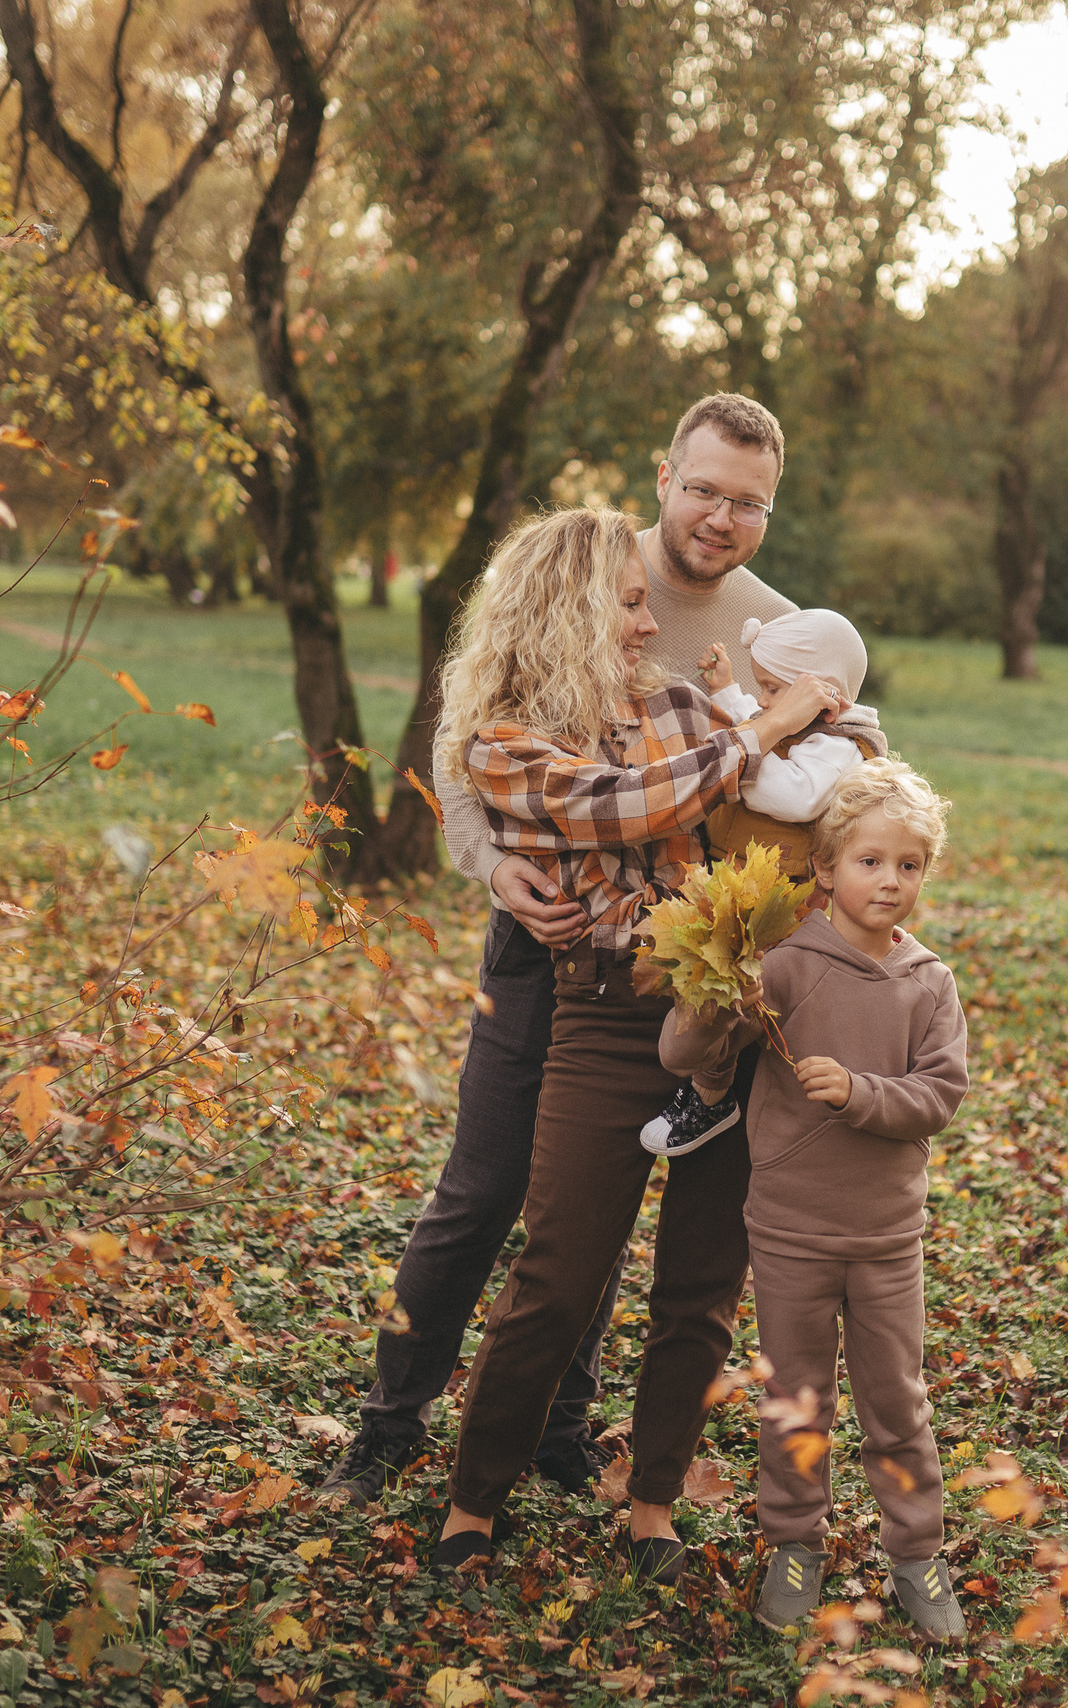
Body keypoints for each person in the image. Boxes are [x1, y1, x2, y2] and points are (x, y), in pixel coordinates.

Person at [320, 395, 799, 1505]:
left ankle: (557, 1430)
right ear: (664, 472)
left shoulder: (772, 628)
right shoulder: (573, 567)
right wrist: (493, 868)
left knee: (587, 1200)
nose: (719, 518)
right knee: (482, 1190)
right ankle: (389, 1420)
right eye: (703, 488)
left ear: (770, 509)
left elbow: (796, 779)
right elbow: (462, 747)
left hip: (655, 948)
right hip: (536, 935)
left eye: (748, 502)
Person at [430, 505, 846, 1581]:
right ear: (565, 610)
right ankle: (474, 1500)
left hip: (735, 1008)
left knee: (702, 1278)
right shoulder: (505, 740)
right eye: (621, 604)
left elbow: (804, 785)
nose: (639, 621)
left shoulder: (677, 698)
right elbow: (627, 806)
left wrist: (824, 730)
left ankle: (652, 1500)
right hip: (608, 1005)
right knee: (562, 1265)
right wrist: (758, 730)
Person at [659, 759, 969, 1640]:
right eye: (871, 862)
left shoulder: (927, 983)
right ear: (826, 869)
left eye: (909, 866)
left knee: (896, 1400)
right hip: (791, 1229)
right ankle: (796, 1542)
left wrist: (863, 1092)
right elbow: (685, 1056)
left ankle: (917, 1553)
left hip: (885, 1235)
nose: (891, 882)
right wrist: (711, 985)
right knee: (795, 1397)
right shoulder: (785, 967)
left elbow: (941, 1094)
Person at [640, 609, 886, 1158]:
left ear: (827, 694)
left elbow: (791, 795)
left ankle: (710, 1091)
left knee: (736, 1005)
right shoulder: (806, 722)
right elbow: (761, 721)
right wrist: (731, 693)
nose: (767, 702)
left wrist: (737, 753)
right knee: (718, 995)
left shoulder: (840, 745)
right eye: (764, 687)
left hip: (787, 913)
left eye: (774, 688)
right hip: (743, 895)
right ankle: (711, 1087)